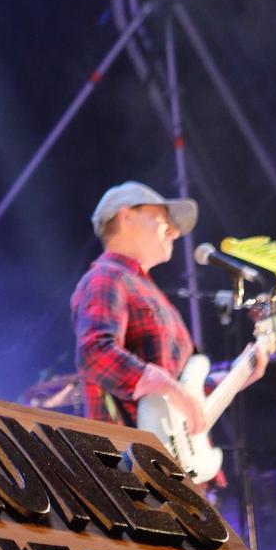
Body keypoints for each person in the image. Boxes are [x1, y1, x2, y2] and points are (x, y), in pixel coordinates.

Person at [71, 180, 211, 437]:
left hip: (173, 460)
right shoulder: (106, 276)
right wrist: (167, 386)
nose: (175, 233)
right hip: (134, 461)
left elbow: (182, 384)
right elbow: (94, 352)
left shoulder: (147, 290)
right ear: (126, 217)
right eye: (163, 220)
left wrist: (240, 373)